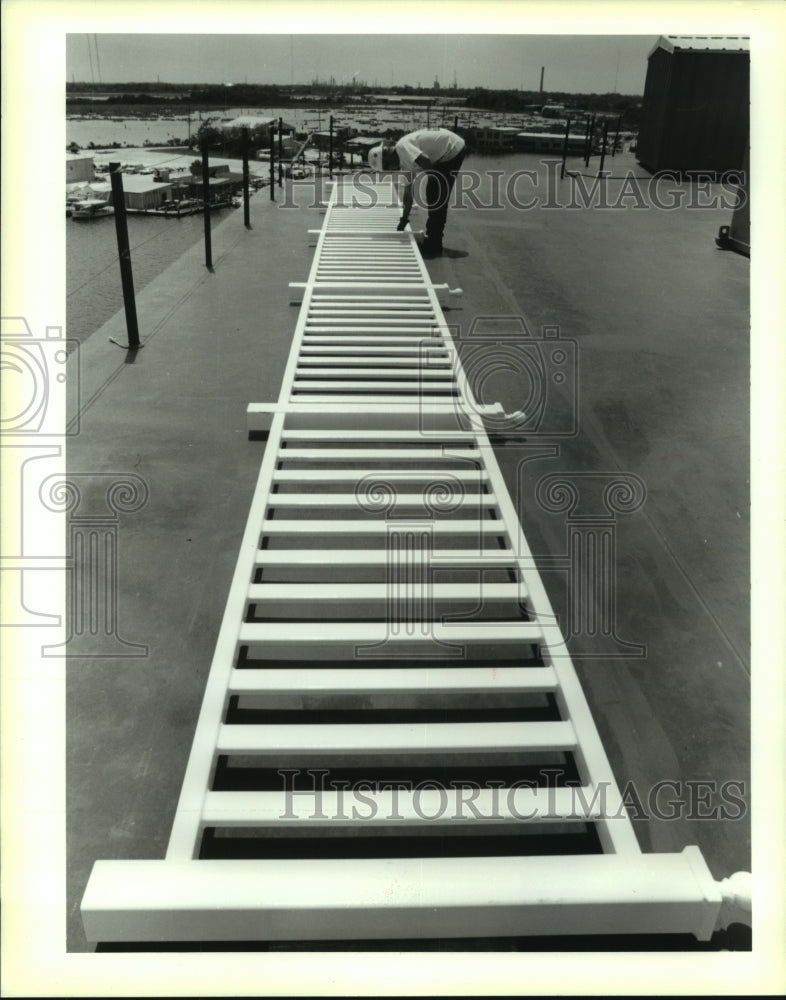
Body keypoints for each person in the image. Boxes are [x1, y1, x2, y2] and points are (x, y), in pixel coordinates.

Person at [368, 127, 466, 257]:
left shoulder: (402, 147)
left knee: (436, 196)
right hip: (443, 154)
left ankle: (434, 246)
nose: (391, 169)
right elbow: (408, 195)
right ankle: (433, 240)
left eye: (387, 166)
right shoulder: (403, 165)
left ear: (387, 157)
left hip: (452, 149)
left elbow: (424, 160)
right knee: (434, 194)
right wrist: (404, 219)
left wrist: (434, 182)